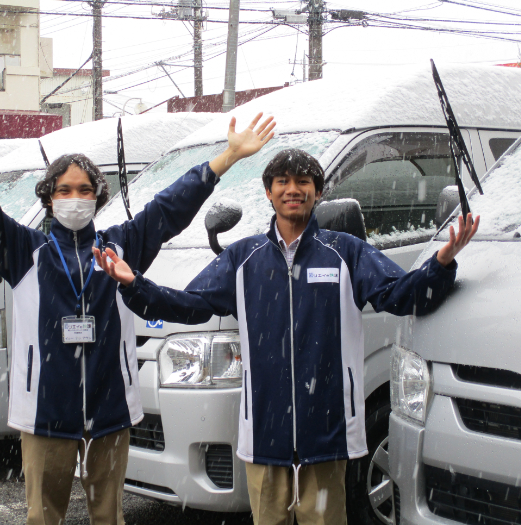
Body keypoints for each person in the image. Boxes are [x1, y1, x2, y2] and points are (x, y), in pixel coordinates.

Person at [0, 99, 276, 525]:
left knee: (108, 517)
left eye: (85, 190)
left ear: (98, 196)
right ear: (49, 199)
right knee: (44, 517)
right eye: (65, 190)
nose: (75, 198)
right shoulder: (24, 251)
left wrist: (227, 158)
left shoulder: (120, 245)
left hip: (110, 412)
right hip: (44, 412)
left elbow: (169, 209)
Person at [93, 148, 479, 525]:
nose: (293, 189)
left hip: (328, 432)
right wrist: (135, 284)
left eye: (303, 181)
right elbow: (189, 306)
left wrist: (441, 263)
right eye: (283, 181)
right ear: (269, 192)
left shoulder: (345, 252)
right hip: (264, 434)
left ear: (318, 191)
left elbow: (402, 295)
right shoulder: (244, 258)